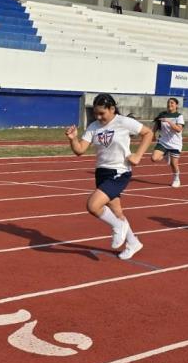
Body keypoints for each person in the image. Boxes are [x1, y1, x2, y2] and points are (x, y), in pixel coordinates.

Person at [65, 93, 153, 260]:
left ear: (112, 109)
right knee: (117, 211)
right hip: (101, 172)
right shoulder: (93, 127)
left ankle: (118, 227)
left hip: (119, 172)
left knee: (93, 205)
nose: (98, 117)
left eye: (102, 113)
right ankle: (133, 242)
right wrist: (73, 139)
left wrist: (138, 156)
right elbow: (80, 150)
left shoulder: (123, 122)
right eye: (95, 113)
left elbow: (148, 133)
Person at [151, 97, 184, 188]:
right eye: (168, 103)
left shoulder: (179, 116)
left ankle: (176, 178)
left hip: (175, 143)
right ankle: (166, 155)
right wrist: (153, 134)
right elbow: (156, 125)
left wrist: (169, 121)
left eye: (172, 103)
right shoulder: (162, 114)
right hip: (163, 141)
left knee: (174, 164)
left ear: (176, 105)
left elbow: (178, 129)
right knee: (154, 158)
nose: (170, 105)